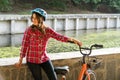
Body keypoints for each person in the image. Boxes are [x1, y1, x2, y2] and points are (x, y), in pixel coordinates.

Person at [15, 8, 82, 80]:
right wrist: (20, 60)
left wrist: (73, 40)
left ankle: (56, 70)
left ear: (41, 19)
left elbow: (59, 37)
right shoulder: (29, 30)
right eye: (32, 17)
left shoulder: (47, 30)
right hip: (32, 60)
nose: (33, 20)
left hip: (44, 58)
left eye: (36, 18)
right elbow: (24, 45)